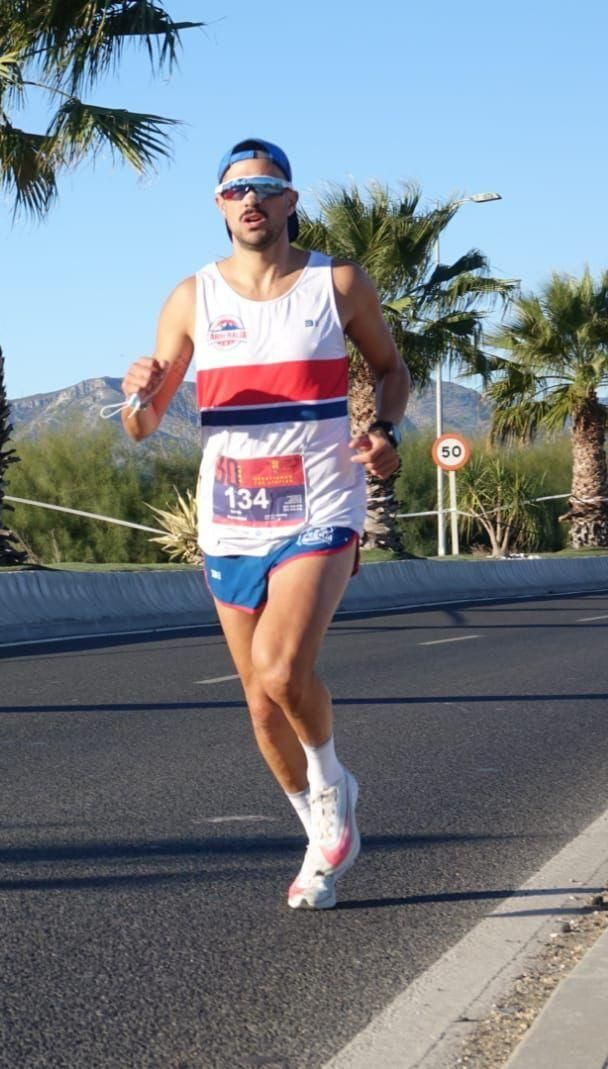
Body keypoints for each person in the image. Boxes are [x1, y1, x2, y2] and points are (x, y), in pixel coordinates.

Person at [119, 138, 409, 910]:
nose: (251, 199)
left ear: (290, 201)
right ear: (219, 206)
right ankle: (321, 838)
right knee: (258, 701)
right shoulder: (192, 297)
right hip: (230, 516)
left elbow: (391, 369)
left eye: (267, 186)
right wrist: (137, 392)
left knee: (282, 671)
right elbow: (143, 424)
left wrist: (385, 431)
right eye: (236, 190)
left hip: (322, 503)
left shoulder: (336, 283)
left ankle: (332, 784)